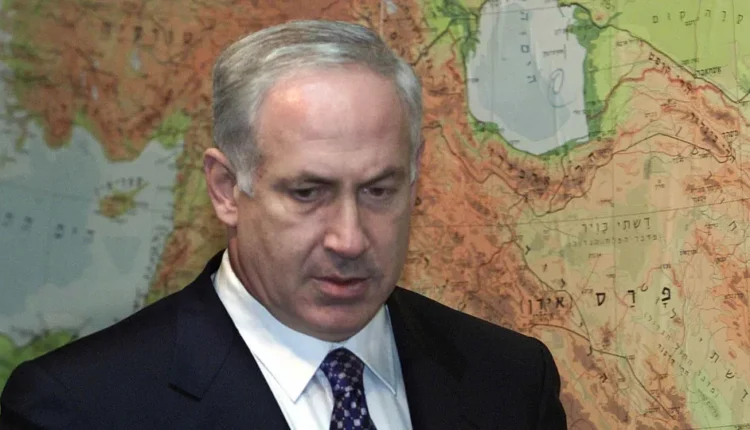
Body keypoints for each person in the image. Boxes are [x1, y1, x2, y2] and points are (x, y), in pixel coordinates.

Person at [0, 20, 567, 429]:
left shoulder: (512, 380)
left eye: (379, 190)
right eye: (307, 193)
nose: (350, 239)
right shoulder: (79, 408)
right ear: (226, 189)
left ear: (416, 176)